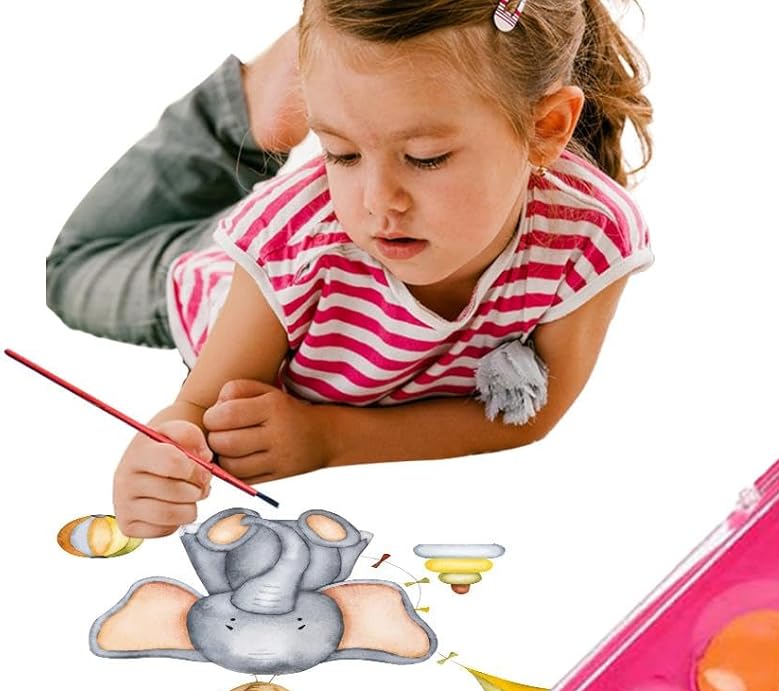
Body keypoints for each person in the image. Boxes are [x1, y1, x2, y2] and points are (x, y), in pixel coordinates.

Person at [45, 0, 654, 538]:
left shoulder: (592, 235)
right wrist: (159, 464)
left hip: (304, 246)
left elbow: (531, 417)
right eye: (340, 152)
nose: (378, 202)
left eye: (425, 158)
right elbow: (197, 412)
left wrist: (327, 439)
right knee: (75, 274)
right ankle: (242, 109)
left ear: (546, 129)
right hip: (235, 274)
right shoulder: (286, 242)